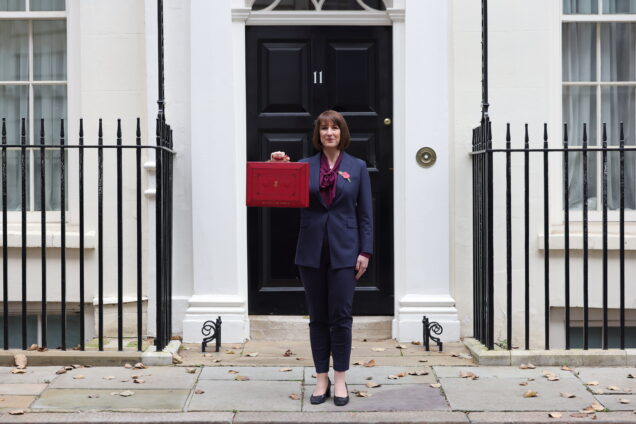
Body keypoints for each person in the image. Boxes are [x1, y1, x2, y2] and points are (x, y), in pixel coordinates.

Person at [294, 110, 373, 406]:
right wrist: (276, 165)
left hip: (346, 251)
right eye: (324, 128)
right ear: (318, 134)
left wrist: (365, 251)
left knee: (341, 317)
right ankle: (320, 379)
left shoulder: (358, 167)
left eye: (335, 128)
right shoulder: (304, 166)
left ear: (342, 133)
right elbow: (277, 189)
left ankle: (340, 380)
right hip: (311, 251)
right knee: (318, 317)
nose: (329, 133)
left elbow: (365, 214)